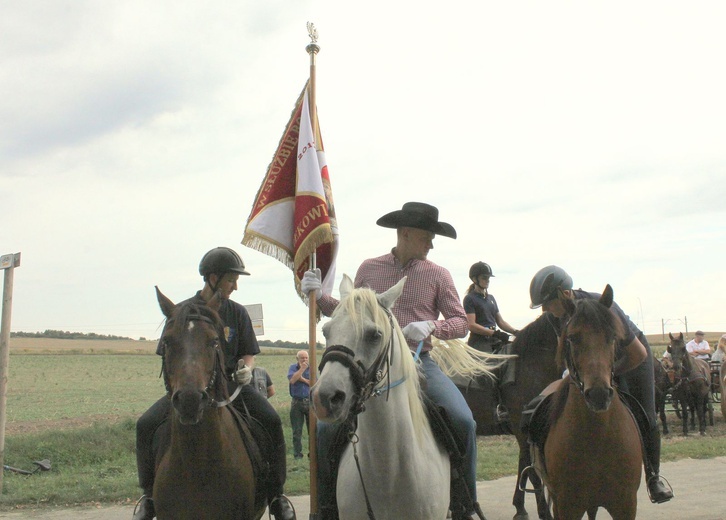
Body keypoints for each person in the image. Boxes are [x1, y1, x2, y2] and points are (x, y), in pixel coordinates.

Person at [302, 202, 480, 520]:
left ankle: (464, 506)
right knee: (326, 431)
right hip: (369, 367)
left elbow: (461, 322)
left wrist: (433, 326)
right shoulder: (369, 269)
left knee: (462, 419)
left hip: (420, 362)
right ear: (406, 233)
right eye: (428, 236)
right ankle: (327, 508)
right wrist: (317, 295)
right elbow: (350, 316)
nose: (431, 244)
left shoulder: (438, 275)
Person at [133, 247, 296, 520]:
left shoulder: (237, 313)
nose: (235, 286)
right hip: (189, 389)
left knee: (270, 419)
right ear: (212, 278)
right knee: (145, 424)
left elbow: (248, 352)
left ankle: (276, 495)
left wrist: (246, 368)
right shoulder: (181, 313)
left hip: (232, 388)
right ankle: (149, 498)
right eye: (231, 279)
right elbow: (168, 355)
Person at [528, 265, 673, 504]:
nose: (545, 310)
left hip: (631, 357)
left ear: (564, 294)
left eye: (547, 303)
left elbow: (637, 353)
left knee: (645, 414)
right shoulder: (556, 317)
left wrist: (608, 373)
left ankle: (653, 477)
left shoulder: (604, 306)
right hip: (591, 364)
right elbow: (564, 351)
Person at [463, 261, 519, 422]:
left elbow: (500, 321)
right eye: (484, 277)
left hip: (494, 339)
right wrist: (493, 332)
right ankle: (496, 407)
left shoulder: (491, 298)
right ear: (475, 279)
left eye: (488, 277)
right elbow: (471, 325)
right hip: (479, 343)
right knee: (490, 370)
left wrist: (516, 331)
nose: (487, 280)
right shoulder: (470, 299)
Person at [288, 350, 311, 460]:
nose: (305, 360)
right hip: (297, 403)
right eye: (302, 358)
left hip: (310, 403)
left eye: (306, 358)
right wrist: (302, 370)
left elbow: (314, 382)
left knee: (312, 431)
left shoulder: (312, 368)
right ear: (297, 359)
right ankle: (297, 454)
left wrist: (300, 379)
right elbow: (292, 380)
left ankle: (312, 453)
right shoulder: (293, 367)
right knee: (297, 431)